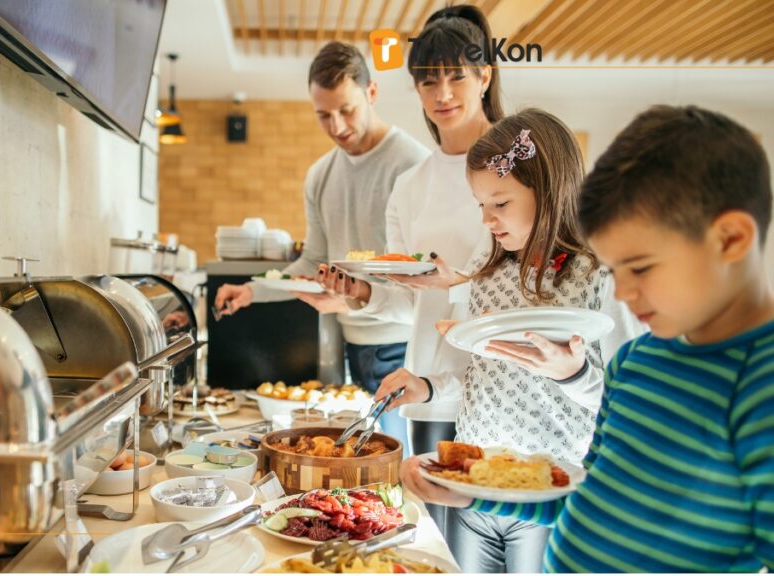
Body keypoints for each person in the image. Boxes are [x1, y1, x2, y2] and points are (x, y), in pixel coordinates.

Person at [402, 105, 774, 572]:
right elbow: (586, 499)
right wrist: (476, 492)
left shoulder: (758, 387)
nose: (619, 291)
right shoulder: (634, 364)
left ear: (730, 239)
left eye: (637, 267)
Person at [376, 108, 641, 572]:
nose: (487, 220)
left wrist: (574, 374)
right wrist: (429, 387)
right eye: (481, 204)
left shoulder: (600, 273)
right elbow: (481, 371)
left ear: (550, 190)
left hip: (549, 490)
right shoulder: (489, 266)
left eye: (500, 204)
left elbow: (631, 401)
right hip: (475, 481)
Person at [214, 41, 429, 449]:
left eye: (346, 110)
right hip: (353, 343)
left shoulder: (414, 165)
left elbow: (423, 273)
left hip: (405, 345)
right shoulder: (320, 175)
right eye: (323, 115)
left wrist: (351, 300)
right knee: (363, 463)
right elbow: (313, 259)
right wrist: (251, 290)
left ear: (372, 93)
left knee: (396, 466)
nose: (337, 126)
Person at [319, 4, 500, 472]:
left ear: (484, 77)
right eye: (427, 81)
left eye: (456, 77)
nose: (442, 94)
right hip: (429, 388)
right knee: (436, 539)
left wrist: (455, 284)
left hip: (502, 384)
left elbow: (529, 288)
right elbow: (409, 304)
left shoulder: (515, 168)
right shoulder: (411, 184)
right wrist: (361, 293)